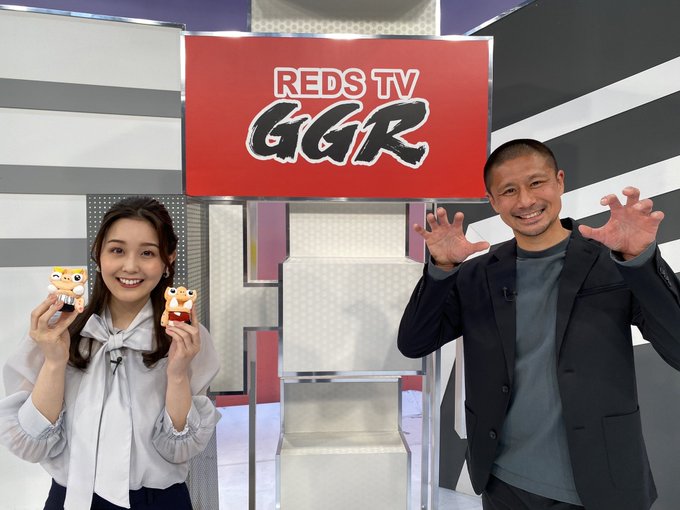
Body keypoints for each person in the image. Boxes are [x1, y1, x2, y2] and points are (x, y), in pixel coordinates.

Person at [398, 139, 680, 510]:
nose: (525, 201)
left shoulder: (612, 262)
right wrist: (442, 271)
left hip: (601, 483)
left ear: (559, 181)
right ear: (493, 201)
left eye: (536, 183)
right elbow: (414, 342)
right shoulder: (477, 274)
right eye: (508, 191)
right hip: (504, 482)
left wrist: (640, 262)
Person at [0, 197, 221, 510]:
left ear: (168, 259)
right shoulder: (58, 330)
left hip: (159, 501)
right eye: (117, 250)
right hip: (72, 499)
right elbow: (31, 445)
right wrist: (54, 362)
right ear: (98, 254)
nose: (130, 266)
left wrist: (176, 375)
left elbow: (180, 449)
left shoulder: (186, 339)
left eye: (147, 253)